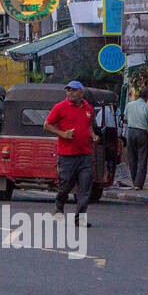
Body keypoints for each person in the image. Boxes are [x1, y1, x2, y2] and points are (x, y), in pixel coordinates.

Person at [43, 81, 101, 227]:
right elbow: (47, 125)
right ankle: (59, 205)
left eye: (73, 90)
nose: (70, 93)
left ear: (81, 92)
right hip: (67, 155)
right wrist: (63, 134)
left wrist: (93, 135)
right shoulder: (60, 107)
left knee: (85, 187)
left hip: (85, 154)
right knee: (65, 185)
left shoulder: (88, 108)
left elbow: (88, 125)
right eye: (68, 90)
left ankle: (79, 219)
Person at [123, 88, 148, 190]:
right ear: (146, 96)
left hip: (131, 132)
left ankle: (134, 182)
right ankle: (138, 184)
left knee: (132, 158)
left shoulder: (129, 105)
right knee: (142, 158)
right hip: (142, 133)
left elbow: (125, 120)